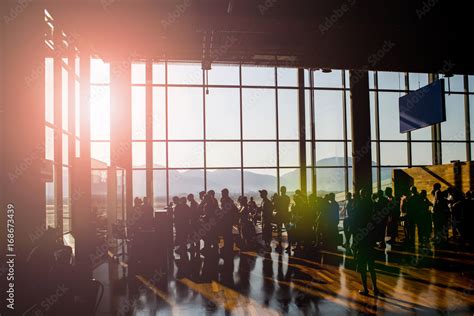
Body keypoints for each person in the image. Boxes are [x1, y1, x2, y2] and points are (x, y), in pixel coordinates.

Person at [353, 188, 380, 296]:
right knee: (371, 265)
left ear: (362, 194)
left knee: (362, 265)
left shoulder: (360, 205)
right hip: (370, 238)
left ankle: (365, 289)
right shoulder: (373, 205)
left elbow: (355, 221)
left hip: (362, 238)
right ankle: (375, 287)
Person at [220, 188, 238, 255]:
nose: (221, 194)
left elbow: (234, 209)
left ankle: (229, 247)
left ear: (225, 193)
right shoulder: (227, 200)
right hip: (227, 220)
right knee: (227, 234)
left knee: (228, 234)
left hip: (227, 220)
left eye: (222, 193)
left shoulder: (228, 200)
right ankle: (228, 246)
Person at [275, 186, 291, 251]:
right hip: (286, 216)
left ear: (281, 191)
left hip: (280, 216)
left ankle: (279, 244)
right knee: (288, 231)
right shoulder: (287, 198)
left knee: (279, 231)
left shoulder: (279, 198)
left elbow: (276, 207)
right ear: (285, 190)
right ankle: (289, 245)